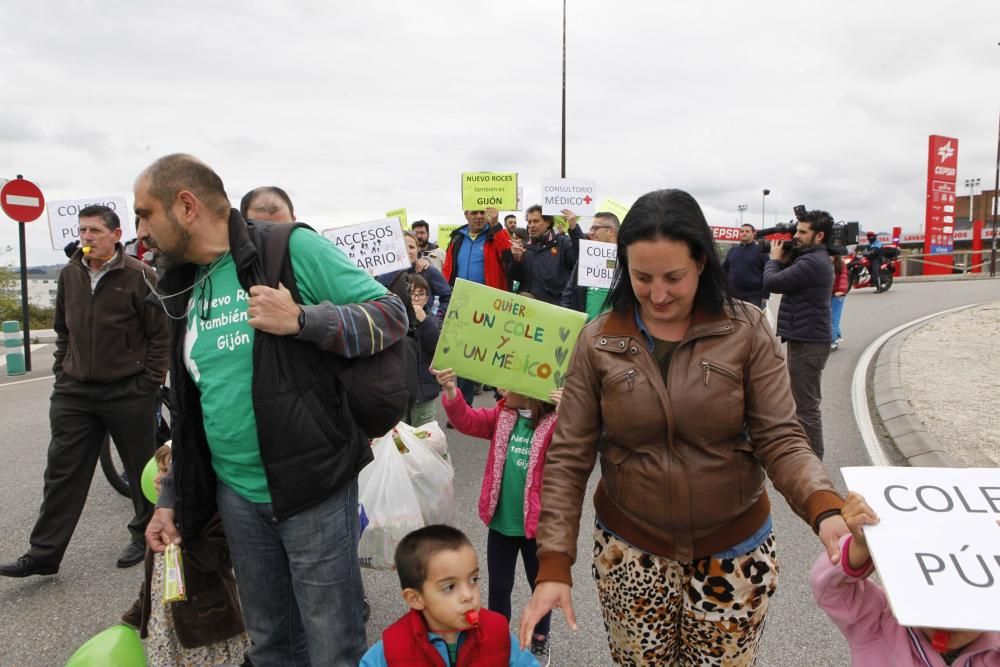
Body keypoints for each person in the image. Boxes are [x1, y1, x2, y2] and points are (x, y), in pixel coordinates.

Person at [518, 189, 848, 666]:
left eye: (674, 277)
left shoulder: (747, 330)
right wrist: (553, 564)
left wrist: (824, 507)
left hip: (735, 553)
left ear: (701, 263)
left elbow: (781, 438)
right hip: (630, 552)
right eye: (641, 277)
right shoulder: (598, 340)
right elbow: (568, 458)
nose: (657, 294)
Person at [135, 153, 408, 666]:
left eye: (145, 213)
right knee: (269, 645)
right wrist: (171, 494)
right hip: (237, 498)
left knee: (332, 648)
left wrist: (304, 318)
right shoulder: (183, 282)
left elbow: (393, 315)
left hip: (315, 491)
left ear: (185, 205)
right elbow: (194, 409)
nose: (141, 230)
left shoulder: (289, 247)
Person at [0, 205, 168, 578]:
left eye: (94, 230)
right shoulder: (70, 274)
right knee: (62, 472)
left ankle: (143, 536)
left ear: (115, 233)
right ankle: (43, 553)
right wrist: (62, 372)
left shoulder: (141, 275)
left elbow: (161, 334)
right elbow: (63, 329)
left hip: (129, 390)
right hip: (75, 392)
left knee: (142, 470)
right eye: (82, 230)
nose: (86, 237)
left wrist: (149, 383)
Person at [433, 367, 561, 666]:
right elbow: (466, 420)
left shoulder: (556, 425)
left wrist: (571, 412)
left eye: (510, 384)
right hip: (502, 524)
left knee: (539, 585)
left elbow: (580, 441)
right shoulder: (502, 417)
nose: (501, 388)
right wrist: (452, 391)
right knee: (499, 588)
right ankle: (497, 639)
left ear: (532, 391)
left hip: (539, 528)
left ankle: (540, 637)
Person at [810, 492, 1000, 665]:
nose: (947, 620)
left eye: (965, 599)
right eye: (936, 593)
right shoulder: (878, 623)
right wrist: (861, 547)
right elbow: (832, 587)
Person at [122, 445, 250, 666]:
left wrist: (183, 532)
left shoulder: (212, 517)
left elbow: (214, 557)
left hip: (207, 629)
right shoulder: (159, 525)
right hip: (168, 631)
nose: (159, 478)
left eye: (167, 472)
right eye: (160, 470)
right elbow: (154, 582)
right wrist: (134, 616)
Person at [360, 524, 540, 667]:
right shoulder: (393, 650)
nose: (468, 595)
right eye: (450, 587)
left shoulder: (498, 634)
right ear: (415, 598)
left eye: (473, 579)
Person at [762, 209, 836, 459]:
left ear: (819, 236)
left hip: (809, 341)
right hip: (806, 338)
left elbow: (772, 282)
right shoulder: (813, 258)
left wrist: (773, 259)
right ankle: (807, 455)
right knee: (802, 403)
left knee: (806, 407)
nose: (797, 235)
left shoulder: (812, 262)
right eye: (797, 230)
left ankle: (814, 462)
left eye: (803, 232)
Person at [442, 208, 514, 404]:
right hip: (464, 305)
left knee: (496, 354)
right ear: (466, 214)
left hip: (492, 305)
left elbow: (508, 256)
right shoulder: (457, 238)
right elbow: (448, 268)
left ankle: (504, 405)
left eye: (482, 212)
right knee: (465, 356)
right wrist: (446, 295)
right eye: (474, 213)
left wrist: (497, 224)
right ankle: (464, 406)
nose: (479, 216)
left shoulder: (495, 234)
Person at [507, 205, 583, 305]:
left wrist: (574, 229)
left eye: (536, 221)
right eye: (529, 222)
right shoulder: (525, 247)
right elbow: (516, 279)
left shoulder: (562, 243)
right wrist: (516, 261)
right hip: (527, 308)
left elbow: (579, 260)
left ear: (547, 222)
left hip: (553, 309)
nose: (532, 225)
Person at [560, 211, 620, 321]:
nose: (591, 233)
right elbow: (568, 294)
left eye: (595, 228)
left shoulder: (627, 259)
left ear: (611, 231)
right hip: (584, 330)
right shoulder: (586, 257)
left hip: (615, 332)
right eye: (591, 229)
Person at [407, 274, 442, 427]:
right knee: (400, 445)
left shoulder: (433, 321)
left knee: (425, 442)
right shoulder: (397, 318)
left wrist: (424, 321)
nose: (416, 298)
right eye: (412, 293)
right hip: (400, 393)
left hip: (424, 392)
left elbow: (439, 349)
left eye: (421, 294)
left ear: (427, 298)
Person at [723, 223, 769, 308]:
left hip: (754, 296)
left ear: (753, 234)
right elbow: (724, 270)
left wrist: (765, 295)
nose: (744, 233)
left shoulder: (761, 251)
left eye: (747, 231)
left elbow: (767, 273)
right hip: (733, 295)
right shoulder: (732, 251)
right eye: (742, 231)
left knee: (752, 321)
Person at [830, 254, 849, 350]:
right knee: (827, 318)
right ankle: (836, 335)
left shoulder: (841, 264)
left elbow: (843, 277)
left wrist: (841, 290)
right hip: (826, 294)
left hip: (838, 295)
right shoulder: (823, 263)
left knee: (833, 318)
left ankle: (832, 341)